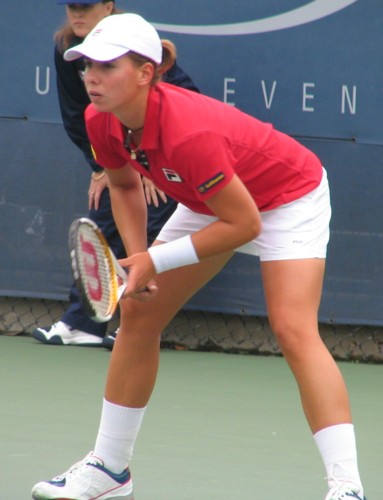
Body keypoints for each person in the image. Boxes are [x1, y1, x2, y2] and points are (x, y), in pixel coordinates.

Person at [31, 13, 367, 500]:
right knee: (140, 309)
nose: (92, 78)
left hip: (288, 197)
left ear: (145, 72)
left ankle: (346, 487)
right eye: (86, 67)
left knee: (293, 329)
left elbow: (245, 225)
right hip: (211, 199)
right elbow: (124, 184)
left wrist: (156, 263)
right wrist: (141, 255)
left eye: (106, 66)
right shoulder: (99, 119)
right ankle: (110, 470)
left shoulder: (188, 131)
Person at [32, 0, 199, 348]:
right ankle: (84, 323)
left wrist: (151, 162)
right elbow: (76, 115)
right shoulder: (67, 48)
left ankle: (140, 322)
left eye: (85, 5)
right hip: (117, 146)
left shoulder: (133, 42)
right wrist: (102, 167)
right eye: (71, 5)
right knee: (104, 213)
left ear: (107, 6)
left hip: (165, 156)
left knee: (157, 215)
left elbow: (186, 100)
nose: (76, 13)